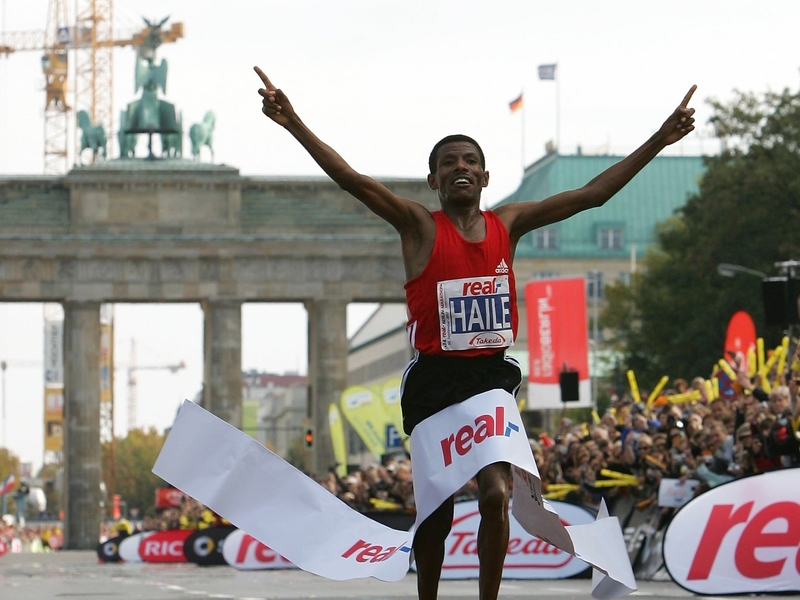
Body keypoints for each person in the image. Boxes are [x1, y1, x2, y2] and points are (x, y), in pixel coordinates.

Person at [254, 66, 695, 600]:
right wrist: (292, 122)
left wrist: (661, 138)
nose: (460, 167)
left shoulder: (509, 223)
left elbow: (593, 194)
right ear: (434, 181)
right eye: (448, 163)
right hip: (433, 382)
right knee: (436, 514)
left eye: (471, 161)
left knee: (494, 493)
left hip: (489, 377)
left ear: (485, 178)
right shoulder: (418, 225)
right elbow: (354, 181)